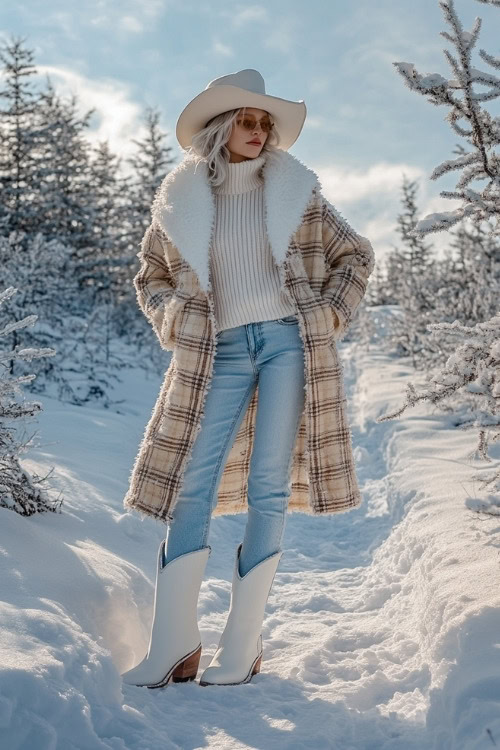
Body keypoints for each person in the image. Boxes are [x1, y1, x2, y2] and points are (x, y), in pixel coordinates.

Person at [121, 69, 375, 689]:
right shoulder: (180, 197)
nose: (259, 132)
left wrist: (329, 311)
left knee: (267, 487)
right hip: (219, 352)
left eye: (265, 124)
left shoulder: (294, 190)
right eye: (247, 120)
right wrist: (176, 316)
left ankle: (242, 647)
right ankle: (174, 643)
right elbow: (150, 277)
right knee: (191, 482)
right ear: (220, 126)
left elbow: (356, 255)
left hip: (288, 344)